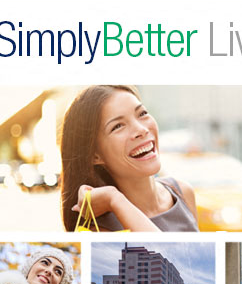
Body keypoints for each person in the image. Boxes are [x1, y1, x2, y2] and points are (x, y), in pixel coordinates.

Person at [59, 85, 199, 232]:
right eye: (118, 126)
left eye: (142, 113)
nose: (141, 130)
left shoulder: (182, 192)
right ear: (95, 155)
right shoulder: (99, 230)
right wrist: (114, 199)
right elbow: (165, 253)